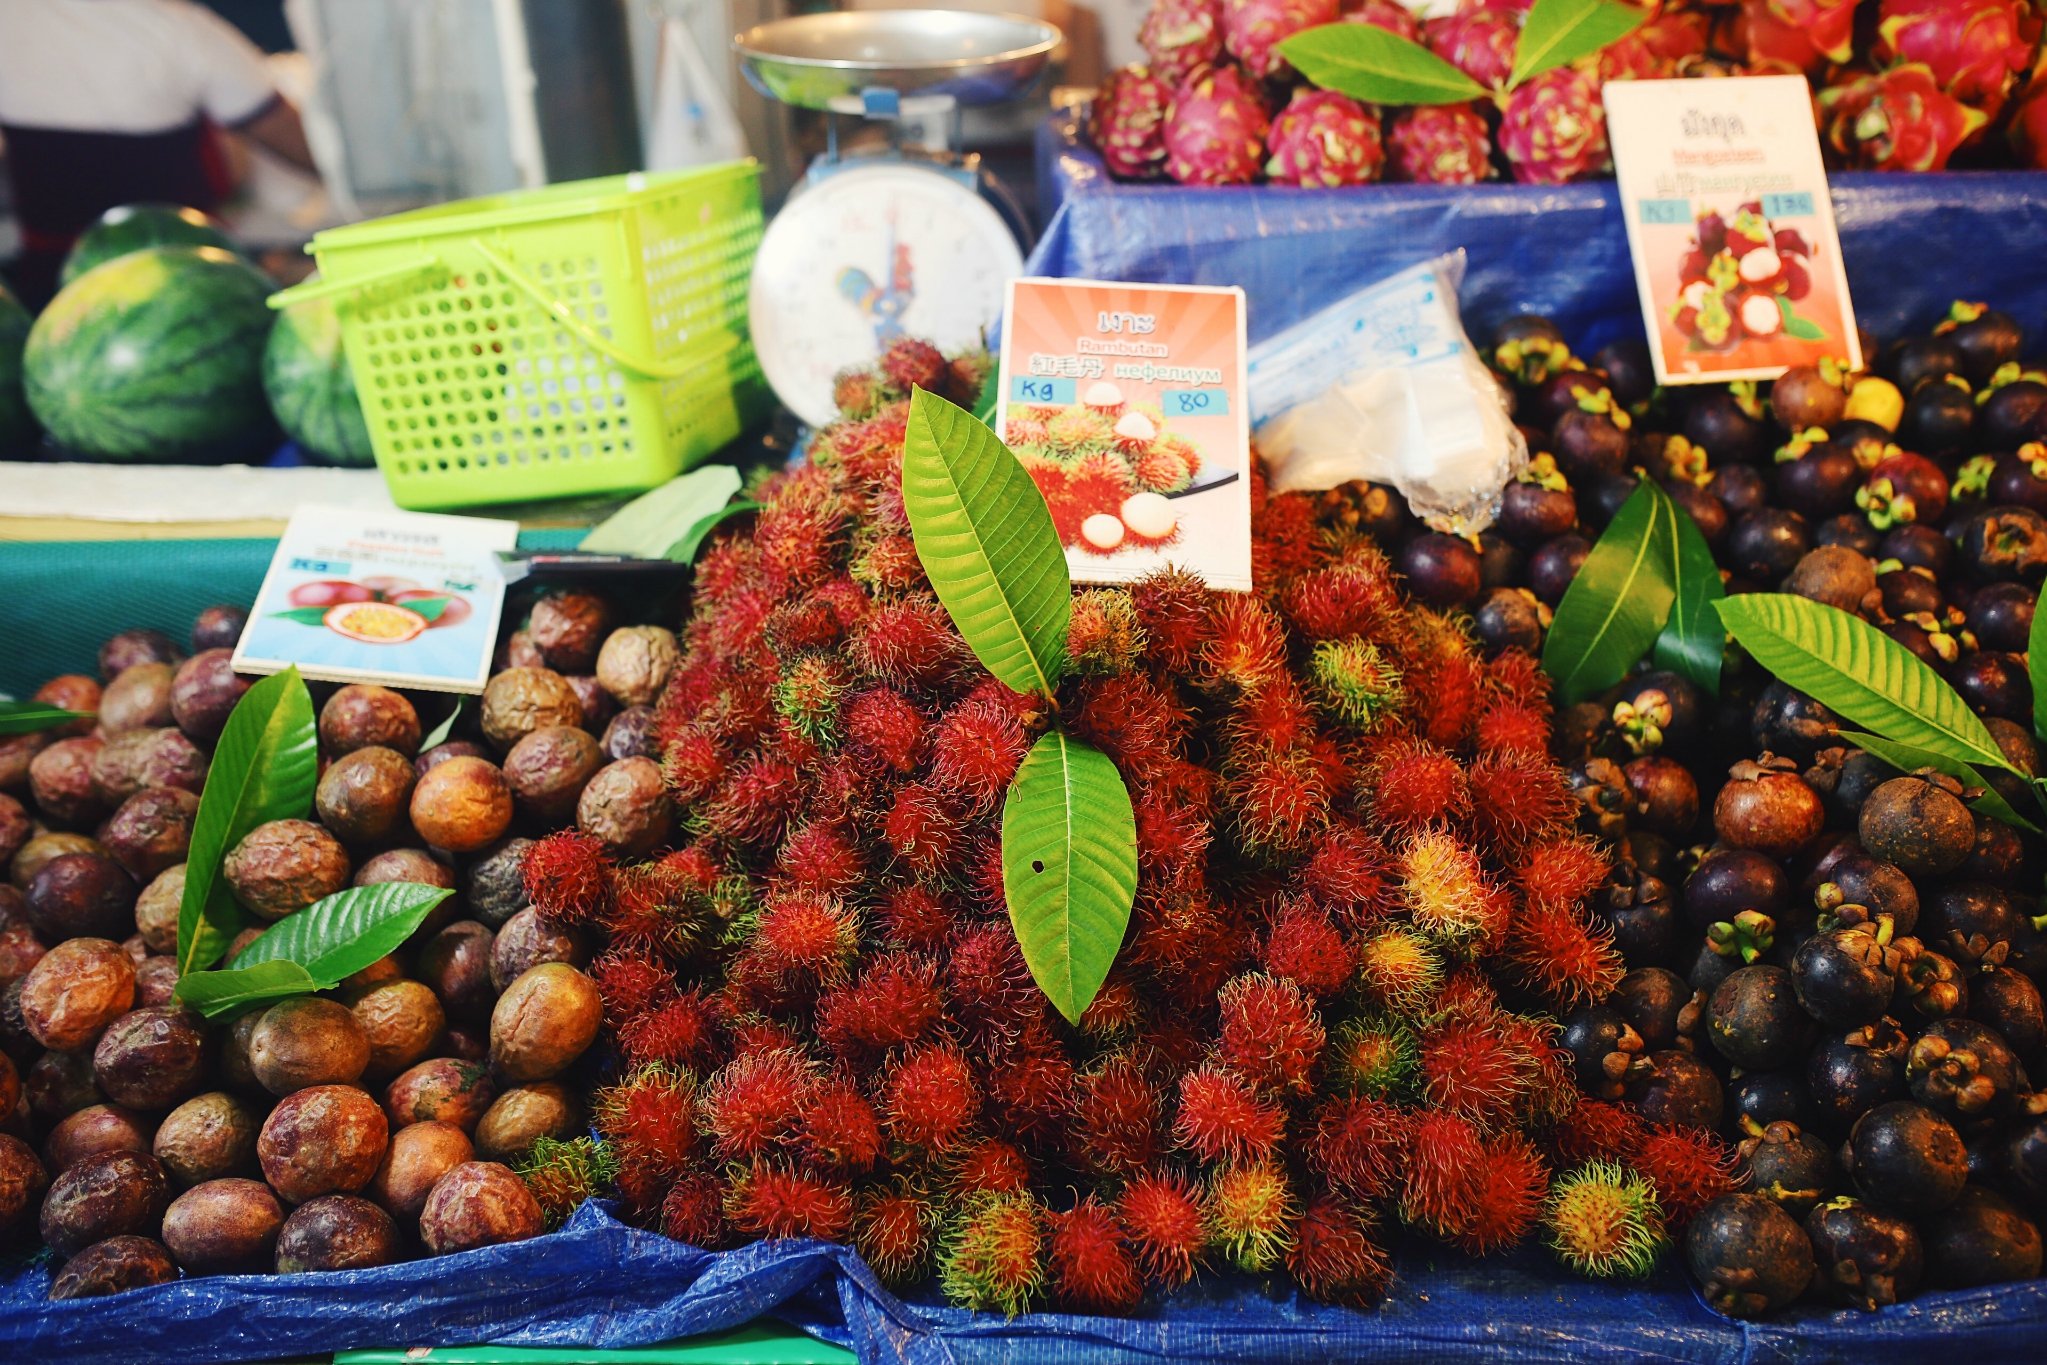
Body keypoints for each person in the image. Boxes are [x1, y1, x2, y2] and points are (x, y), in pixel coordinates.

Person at [0, 0, 318, 305]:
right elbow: (306, 146)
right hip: (185, 284)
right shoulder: (183, 29)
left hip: (51, 290)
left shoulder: (10, 17)